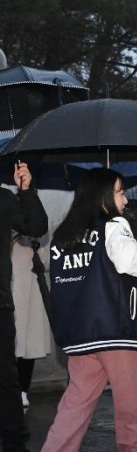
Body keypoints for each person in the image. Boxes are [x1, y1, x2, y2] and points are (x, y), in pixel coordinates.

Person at [42, 168, 137, 452]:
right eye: (120, 192)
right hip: (118, 331)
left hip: (80, 336)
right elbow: (127, 260)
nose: (125, 200)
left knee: (73, 410)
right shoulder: (113, 225)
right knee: (131, 414)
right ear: (104, 195)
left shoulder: (63, 236)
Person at [0, 162, 48, 452]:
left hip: (0, 304)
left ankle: (15, 442)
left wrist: (26, 190)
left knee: (6, 380)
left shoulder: (3, 199)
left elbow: (36, 226)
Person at [11, 235, 52, 408]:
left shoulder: (41, 237)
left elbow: (47, 263)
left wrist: (37, 246)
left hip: (33, 293)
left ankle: (23, 390)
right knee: (12, 345)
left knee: (30, 346)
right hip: (11, 293)